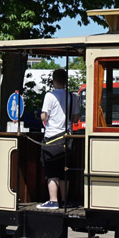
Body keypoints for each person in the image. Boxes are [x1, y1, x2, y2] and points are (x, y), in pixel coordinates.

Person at [38, 68, 80, 209]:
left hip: (52, 138)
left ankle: (53, 200)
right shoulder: (73, 97)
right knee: (64, 171)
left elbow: (44, 116)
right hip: (67, 139)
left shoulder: (50, 96)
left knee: (52, 171)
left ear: (53, 80)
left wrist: (42, 116)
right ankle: (64, 200)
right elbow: (75, 119)